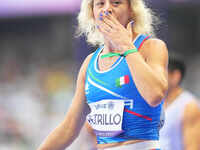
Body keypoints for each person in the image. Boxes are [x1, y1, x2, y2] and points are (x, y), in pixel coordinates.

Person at [37, 0, 168, 149]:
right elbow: (69, 127)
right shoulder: (89, 63)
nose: (107, 9)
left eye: (116, 3)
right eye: (100, 4)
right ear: (92, 13)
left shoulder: (151, 47)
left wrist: (126, 46)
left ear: (131, 10)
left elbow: (155, 95)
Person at [159, 58, 200, 150]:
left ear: (175, 76)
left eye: (160, 73)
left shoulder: (190, 107)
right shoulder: (154, 102)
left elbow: (193, 147)